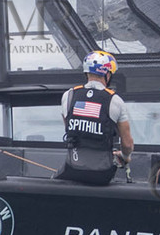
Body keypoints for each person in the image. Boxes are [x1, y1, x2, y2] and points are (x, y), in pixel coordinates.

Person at [55, 50, 133, 185]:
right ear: (107, 74)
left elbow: (69, 128)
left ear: (87, 72)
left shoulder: (68, 95)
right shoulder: (115, 100)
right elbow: (127, 144)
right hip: (102, 174)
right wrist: (125, 156)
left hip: (73, 168)